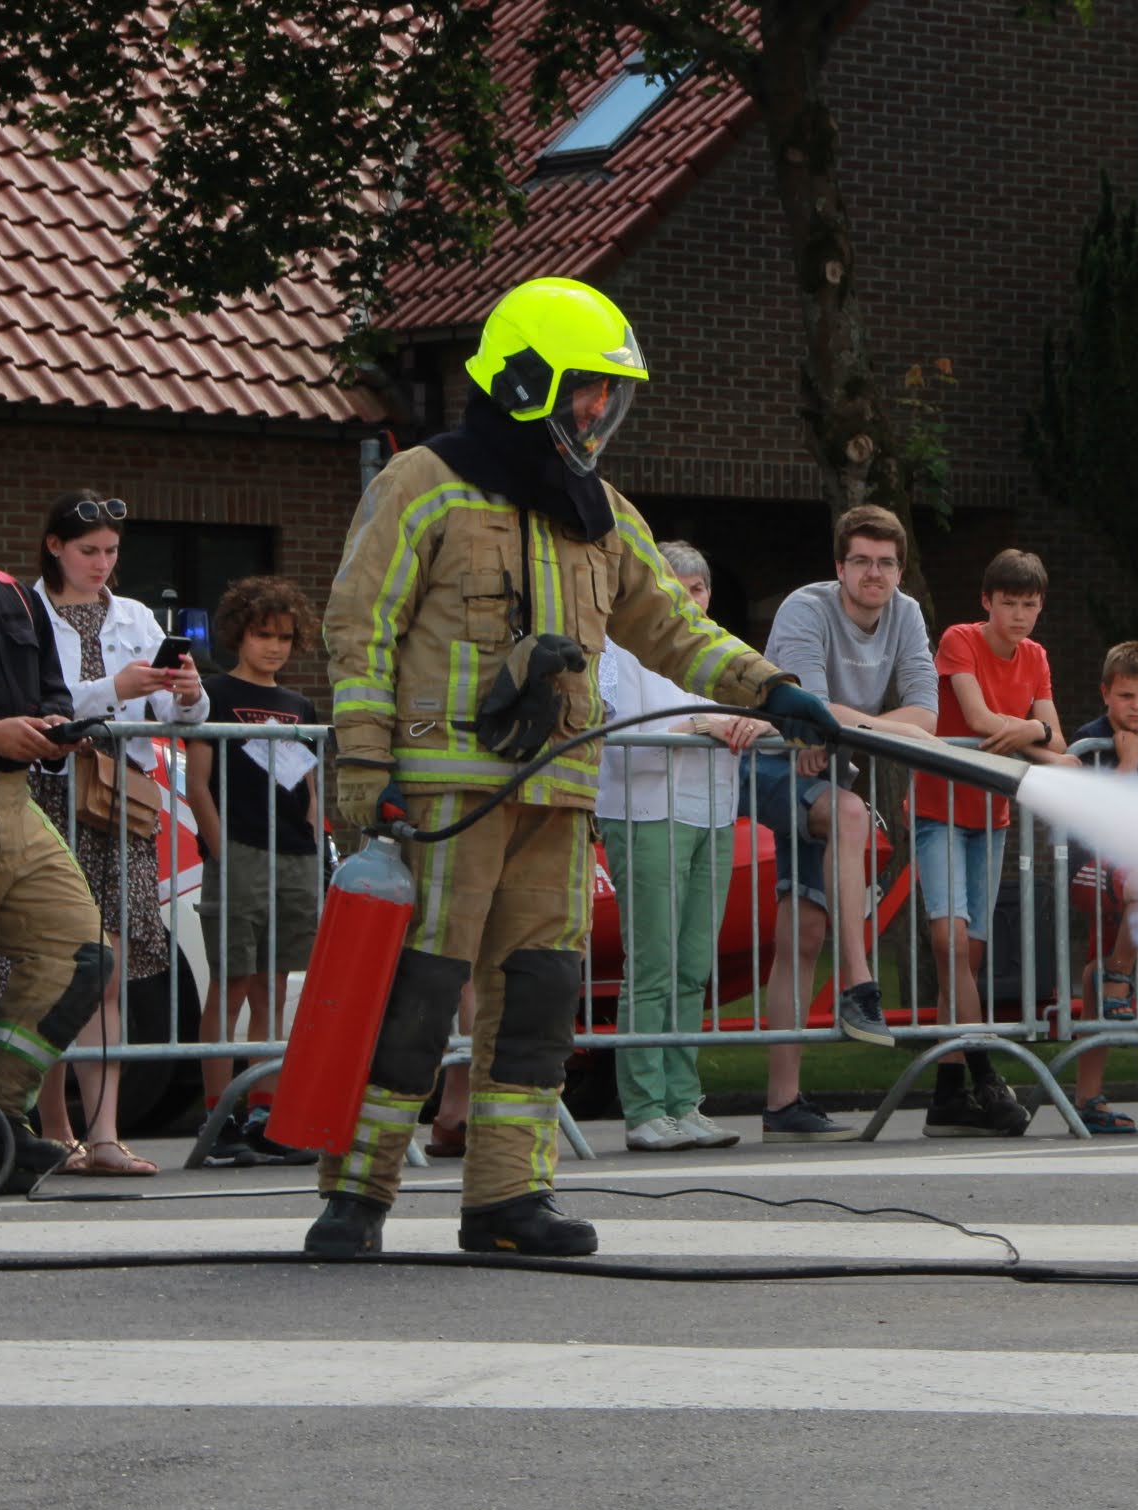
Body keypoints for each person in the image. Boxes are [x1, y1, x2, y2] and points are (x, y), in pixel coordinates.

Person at [307, 276, 822, 1261]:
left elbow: (672, 626)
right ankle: (358, 1195)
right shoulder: (423, 483)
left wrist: (769, 688)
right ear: (526, 381)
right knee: (416, 996)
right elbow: (359, 626)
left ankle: (508, 1199)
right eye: (586, 388)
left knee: (539, 998)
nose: (597, 411)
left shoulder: (600, 512)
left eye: (607, 393)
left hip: (559, 792)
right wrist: (366, 763)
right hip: (446, 795)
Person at [30, 490, 209, 1178]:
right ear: (54, 547)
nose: (101, 563)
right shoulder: (24, 610)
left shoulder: (134, 614)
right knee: (51, 969)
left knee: (107, 971)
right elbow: (31, 705)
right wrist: (115, 687)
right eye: (88, 551)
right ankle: (54, 1126)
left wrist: (188, 692)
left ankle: (104, 1133)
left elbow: (180, 716)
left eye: (110, 551)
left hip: (116, 803)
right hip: (47, 793)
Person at [750, 503, 937, 1142]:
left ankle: (782, 1105)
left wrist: (848, 732)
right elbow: (808, 708)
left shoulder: (906, 615)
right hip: (767, 760)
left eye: (886, 563)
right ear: (839, 567)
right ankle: (860, 980)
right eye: (861, 561)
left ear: (900, 570)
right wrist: (856, 729)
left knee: (802, 933)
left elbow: (926, 714)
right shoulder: (805, 608)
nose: (874, 573)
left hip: (827, 769)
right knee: (853, 812)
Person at [912, 549, 1073, 1137]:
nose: (1019, 615)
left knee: (965, 957)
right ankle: (985, 1075)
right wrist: (1035, 731)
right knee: (950, 942)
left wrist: (1035, 730)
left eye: (1030, 604)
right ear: (987, 601)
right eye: (1008, 603)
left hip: (991, 815)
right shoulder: (960, 639)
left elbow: (1056, 736)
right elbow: (979, 720)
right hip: (939, 809)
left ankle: (947, 1095)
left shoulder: (1036, 656)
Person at [596, 541, 751, 1153]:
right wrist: (700, 726)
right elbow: (617, 740)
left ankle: (684, 1102)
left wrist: (753, 722)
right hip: (645, 812)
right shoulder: (618, 650)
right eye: (678, 587)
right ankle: (643, 1108)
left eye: (699, 588)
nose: (691, 598)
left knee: (692, 968)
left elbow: (759, 713)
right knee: (653, 964)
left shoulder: (720, 650)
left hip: (711, 813)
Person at [185, 576, 323, 1161]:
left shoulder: (300, 706)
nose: (274, 647)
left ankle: (267, 1111)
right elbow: (197, 784)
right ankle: (219, 1117)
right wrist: (221, 850)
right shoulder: (213, 693)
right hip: (238, 850)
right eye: (264, 634)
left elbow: (310, 786)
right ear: (239, 634)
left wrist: (312, 839)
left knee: (273, 985)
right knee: (232, 983)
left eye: (285, 638)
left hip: (294, 855)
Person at [0, 559, 112, 1193]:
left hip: (14, 799)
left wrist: (56, 726)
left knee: (80, 953)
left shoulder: (13, 593)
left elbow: (52, 687)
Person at [1065, 640, 1138, 1133]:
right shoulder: (1090, 741)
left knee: (1094, 981)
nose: (1136, 707)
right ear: (1105, 693)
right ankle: (1119, 973)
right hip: (1091, 867)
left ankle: (1087, 1099)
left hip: (1131, 877)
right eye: (1126, 696)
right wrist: (1128, 766)